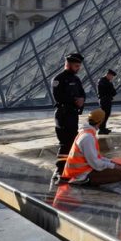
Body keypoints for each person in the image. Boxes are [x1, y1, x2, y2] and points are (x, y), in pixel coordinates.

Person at [61, 109, 121, 185]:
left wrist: (111, 162)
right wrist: (112, 166)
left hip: (80, 171)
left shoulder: (86, 133)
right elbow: (96, 163)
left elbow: (96, 157)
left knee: (118, 168)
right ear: (101, 121)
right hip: (79, 175)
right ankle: (84, 181)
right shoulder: (88, 137)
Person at [52, 53, 86, 182]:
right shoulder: (58, 79)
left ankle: (68, 168)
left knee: (72, 142)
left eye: (79, 66)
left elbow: (82, 93)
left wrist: (81, 101)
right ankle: (59, 170)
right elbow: (58, 98)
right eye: (76, 66)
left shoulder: (76, 79)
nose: (78, 68)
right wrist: (74, 101)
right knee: (65, 143)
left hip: (72, 115)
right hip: (63, 115)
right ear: (68, 64)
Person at [96, 69, 117, 135]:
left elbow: (114, 92)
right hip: (104, 100)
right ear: (108, 74)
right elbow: (109, 90)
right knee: (104, 115)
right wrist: (110, 88)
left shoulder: (108, 82)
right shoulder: (102, 81)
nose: (112, 78)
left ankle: (103, 128)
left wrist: (110, 89)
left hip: (108, 100)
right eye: (111, 76)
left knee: (107, 114)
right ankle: (101, 129)